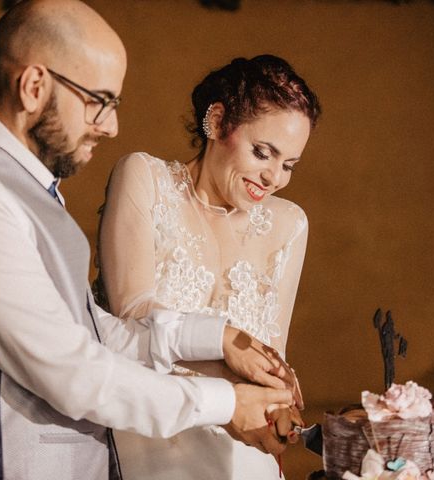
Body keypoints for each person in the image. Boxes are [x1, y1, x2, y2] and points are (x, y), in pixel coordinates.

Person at [0, 2, 300, 479]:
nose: (111, 126)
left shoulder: (26, 188)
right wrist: (224, 402)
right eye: (99, 100)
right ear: (33, 87)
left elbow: (91, 332)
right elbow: (73, 371)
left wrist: (217, 339)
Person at [95, 54, 321, 479]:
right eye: (263, 153)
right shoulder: (145, 179)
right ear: (217, 123)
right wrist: (228, 376)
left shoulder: (289, 224)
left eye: (288, 165)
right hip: (153, 439)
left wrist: (279, 398)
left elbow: (272, 353)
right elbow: (130, 317)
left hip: (244, 456)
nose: (274, 177)